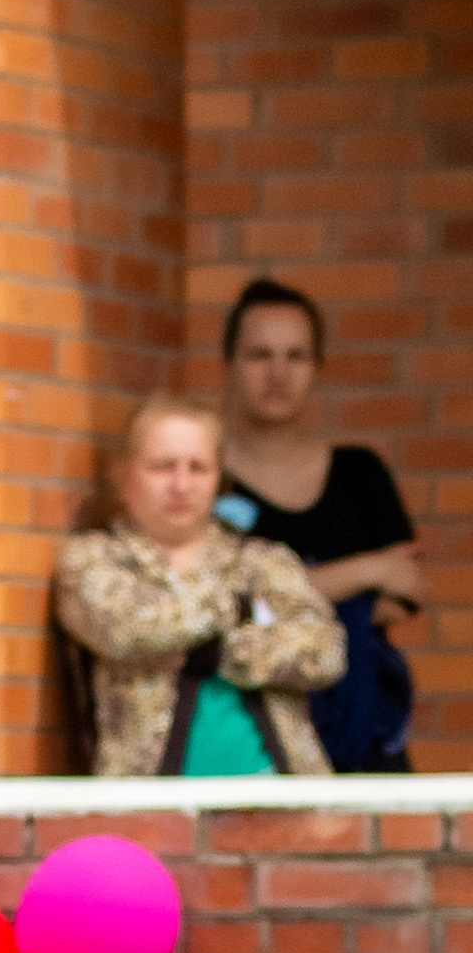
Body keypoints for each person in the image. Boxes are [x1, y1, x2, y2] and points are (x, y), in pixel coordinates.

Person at [53, 398, 345, 780]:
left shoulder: (263, 561)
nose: (181, 484)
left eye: (198, 467)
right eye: (162, 467)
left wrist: (216, 652)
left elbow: (325, 651)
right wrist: (240, 612)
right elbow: (128, 630)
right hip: (145, 803)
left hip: (281, 796)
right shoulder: (93, 560)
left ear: (218, 479)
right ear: (122, 476)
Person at [217, 274, 422, 774]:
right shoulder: (205, 478)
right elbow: (225, 602)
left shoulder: (360, 472)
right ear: (229, 365)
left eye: (296, 356)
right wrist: (368, 570)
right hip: (254, 729)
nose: (278, 373)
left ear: (318, 367)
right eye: (260, 355)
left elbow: (407, 590)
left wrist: (283, 601)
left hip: (363, 720)